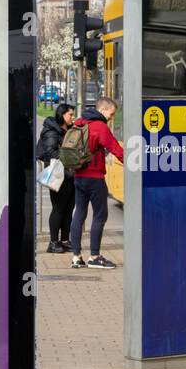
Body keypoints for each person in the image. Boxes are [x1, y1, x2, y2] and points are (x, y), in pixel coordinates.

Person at [69, 97, 124, 269]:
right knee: (100, 215)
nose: (111, 117)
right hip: (94, 178)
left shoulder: (79, 122)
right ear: (102, 110)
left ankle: (76, 256)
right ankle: (94, 256)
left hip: (78, 176)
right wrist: (136, 163)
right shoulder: (100, 126)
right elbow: (116, 148)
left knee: (79, 213)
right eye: (111, 113)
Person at [37, 102, 76, 253]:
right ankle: (53, 242)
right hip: (59, 174)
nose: (72, 117)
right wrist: (72, 156)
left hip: (71, 173)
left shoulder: (70, 129)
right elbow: (51, 152)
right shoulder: (52, 131)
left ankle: (65, 240)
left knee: (69, 208)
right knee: (58, 209)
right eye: (70, 114)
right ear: (62, 114)